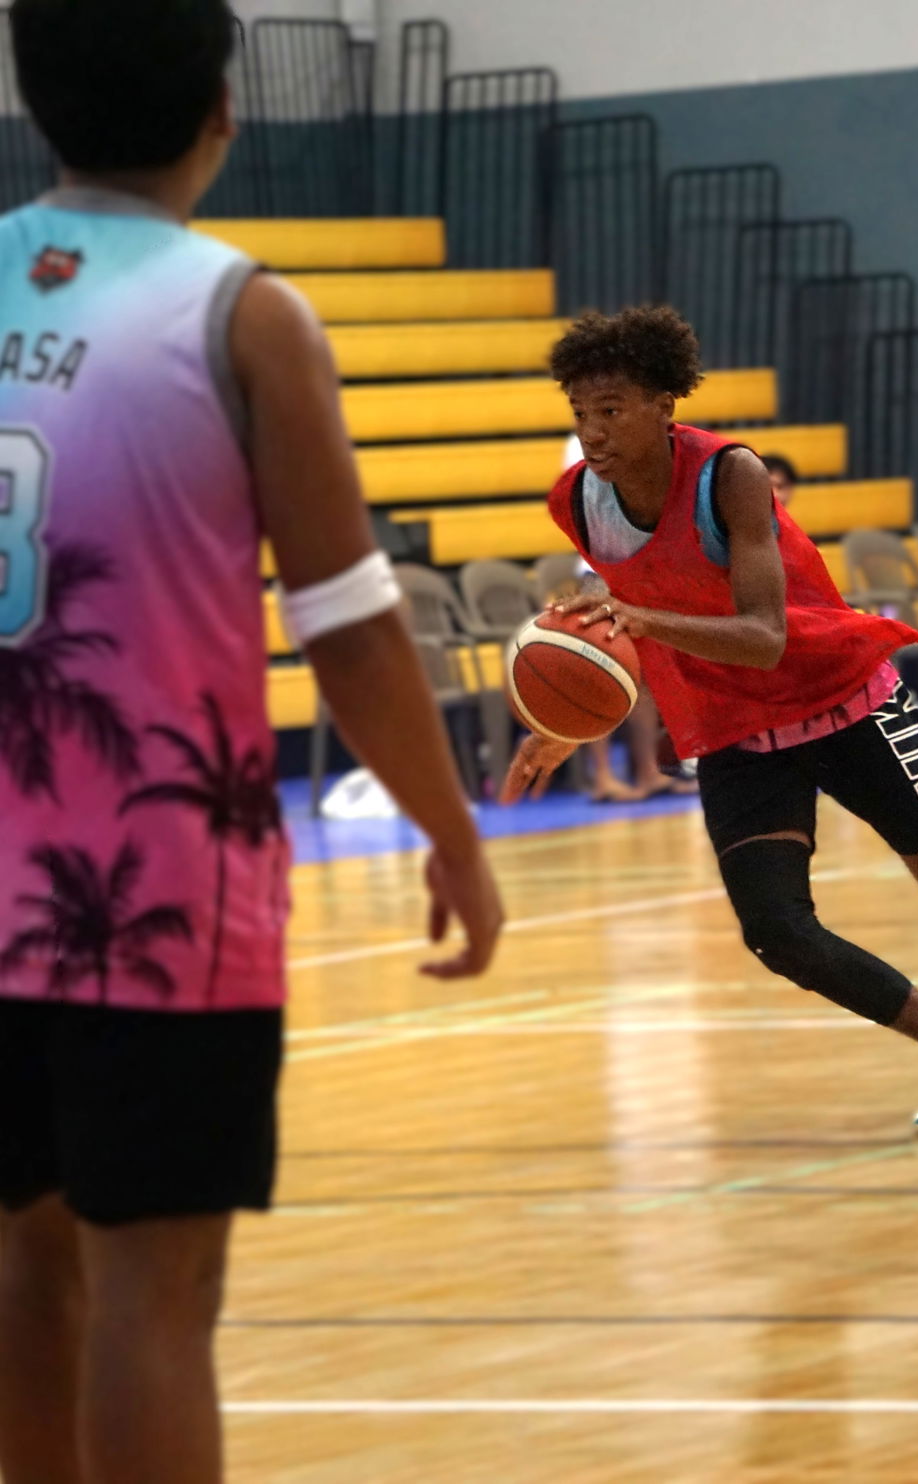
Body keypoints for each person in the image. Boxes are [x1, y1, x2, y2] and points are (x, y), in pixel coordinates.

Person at [0, 4, 505, 1481]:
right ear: (224, 110)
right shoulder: (242, 314)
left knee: (28, 1268)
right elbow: (348, 626)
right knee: (158, 1293)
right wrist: (452, 830)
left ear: (35, 104)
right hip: (155, 893)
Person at [503, 305, 918, 1130]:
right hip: (734, 728)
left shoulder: (731, 475)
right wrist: (566, 717)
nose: (594, 432)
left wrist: (640, 621)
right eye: (580, 414)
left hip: (837, 696)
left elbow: (762, 635)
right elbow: (622, 636)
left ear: (663, 406)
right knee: (776, 932)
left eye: (611, 410)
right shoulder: (580, 501)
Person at [559, 432, 695, 801]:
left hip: (639, 564)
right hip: (599, 568)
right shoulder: (582, 444)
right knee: (598, 671)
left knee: (646, 676)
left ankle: (648, 771)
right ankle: (602, 776)